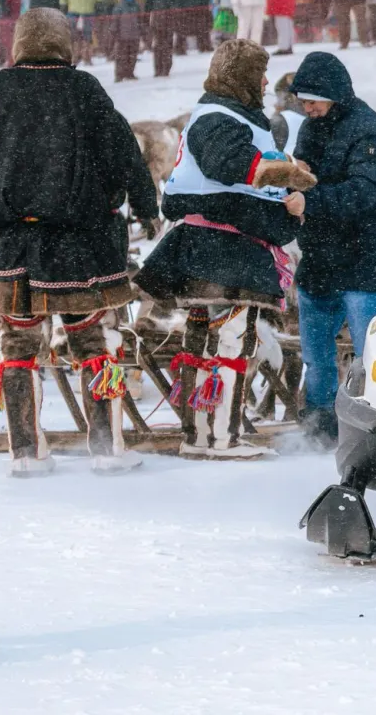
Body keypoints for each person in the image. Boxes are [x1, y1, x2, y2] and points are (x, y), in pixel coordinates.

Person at [0, 9, 160, 476]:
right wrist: (145, 205)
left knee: (17, 346)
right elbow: (124, 153)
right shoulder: (84, 89)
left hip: (13, 245)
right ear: (64, 45)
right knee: (93, 341)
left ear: (18, 45)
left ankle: (25, 454)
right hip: (80, 245)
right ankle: (106, 449)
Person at [135, 40, 313, 459]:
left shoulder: (225, 114)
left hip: (211, 244)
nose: (267, 82)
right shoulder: (218, 117)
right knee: (231, 341)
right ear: (241, 77)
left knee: (204, 341)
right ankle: (218, 438)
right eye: (259, 73)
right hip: (224, 247)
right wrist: (281, 173)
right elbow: (228, 162)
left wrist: (282, 176)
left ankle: (202, 436)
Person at [285, 53, 376, 446]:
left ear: (334, 95)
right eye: (303, 101)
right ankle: (319, 426)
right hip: (319, 258)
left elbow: (365, 193)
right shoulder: (310, 127)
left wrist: (310, 202)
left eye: (314, 100)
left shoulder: (368, 131)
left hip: (363, 258)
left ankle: (372, 424)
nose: (308, 108)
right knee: (316, 357)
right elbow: (306, 174)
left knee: (371, 356)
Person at [145, 0, 188, 78]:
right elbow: (149, 2)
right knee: (158, 44)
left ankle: (166, 68)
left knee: (168, 43)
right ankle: (158, 69)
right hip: (157, 18)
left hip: (170, 17)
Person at [109, 0, 143, 82]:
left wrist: (142, 32)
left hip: (134, 36)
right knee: (121, 57)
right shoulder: (119, 7)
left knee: (132, 56)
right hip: (122, 37)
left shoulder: (136, 6)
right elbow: (115, 22)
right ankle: (119, 75)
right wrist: (114, 33)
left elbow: (141, 21)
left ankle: (130, 73)